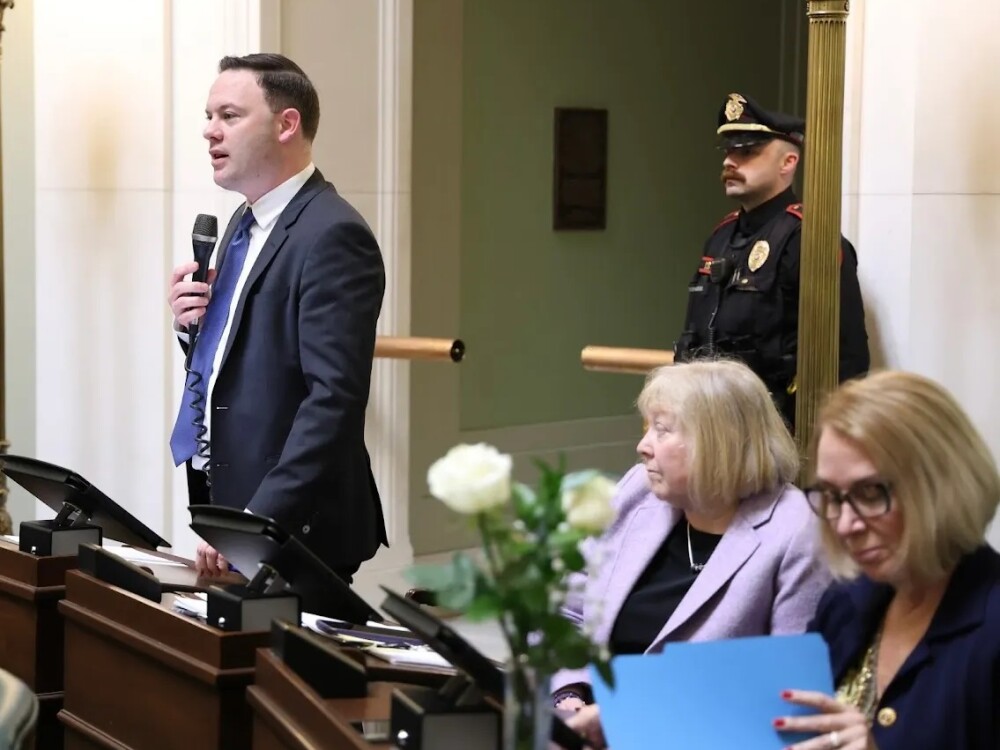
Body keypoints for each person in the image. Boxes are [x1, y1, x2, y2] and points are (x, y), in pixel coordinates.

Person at [167, 53, 387, 580]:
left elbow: (333, 400)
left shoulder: (333, 235)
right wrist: (190, 326)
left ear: (287, 124)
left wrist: (259, 518)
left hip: (293, 527)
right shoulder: (246, 220)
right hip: (232, 508)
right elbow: (245, 364)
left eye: (229, 115)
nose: (208, 131)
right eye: (208, 115)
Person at [551, 359, 830, 741]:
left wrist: (622, 718)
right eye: (648, 428)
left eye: (662, 431)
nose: (643, 447)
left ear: (719, 442)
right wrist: (570, 694)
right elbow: (568, 612)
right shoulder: (637, 492)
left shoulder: (796, 534)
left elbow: (787, 698)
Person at [774, 371, 1000, 750]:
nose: (845, 525)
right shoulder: (846, 601)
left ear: (941, 485)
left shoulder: (990, 626)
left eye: (870, 492)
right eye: (832, 495)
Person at [674, 92, 870, 427]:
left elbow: (846, 362)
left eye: (747, 152)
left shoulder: (810, 241)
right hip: (709, 421)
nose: (729, 162)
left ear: (787, 163)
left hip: (776, 429)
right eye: (728, 152)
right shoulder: (722, 236)